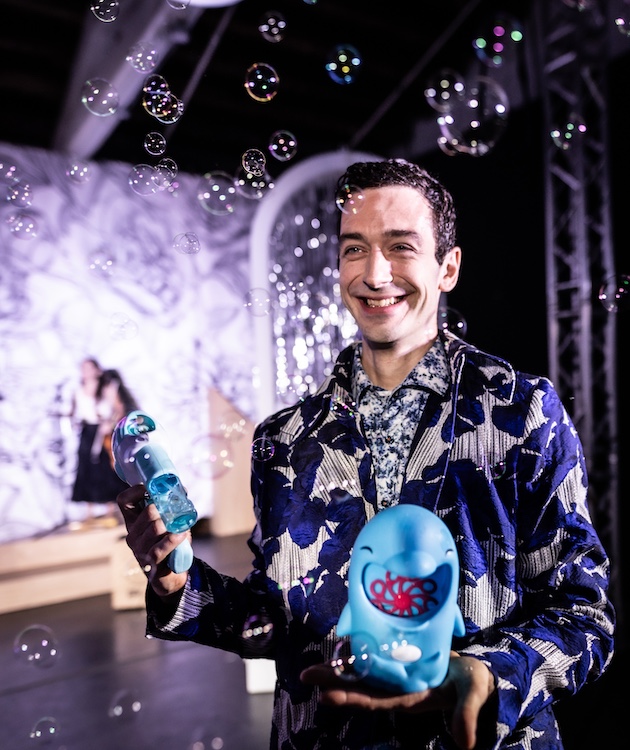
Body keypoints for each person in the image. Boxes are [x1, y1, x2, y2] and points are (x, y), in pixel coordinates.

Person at [117, 159, 615, 750]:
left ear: (448, 266)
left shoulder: (519, 411)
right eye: (355, 249)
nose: (375, 273)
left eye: (401, 247)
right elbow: (273, 621)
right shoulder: (284, 440)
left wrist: (486, 674)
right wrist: (175, 581)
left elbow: (584, 615)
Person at [71, 364, 139, 517]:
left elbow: (118, 407)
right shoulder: (78, 390)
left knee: (106, 468)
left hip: (104, 431)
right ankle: (89, 512)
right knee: (85, 468)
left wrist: (110, 423)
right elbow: (75, 411)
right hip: (87, 431)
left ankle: (110, 510)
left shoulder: (107, 388)